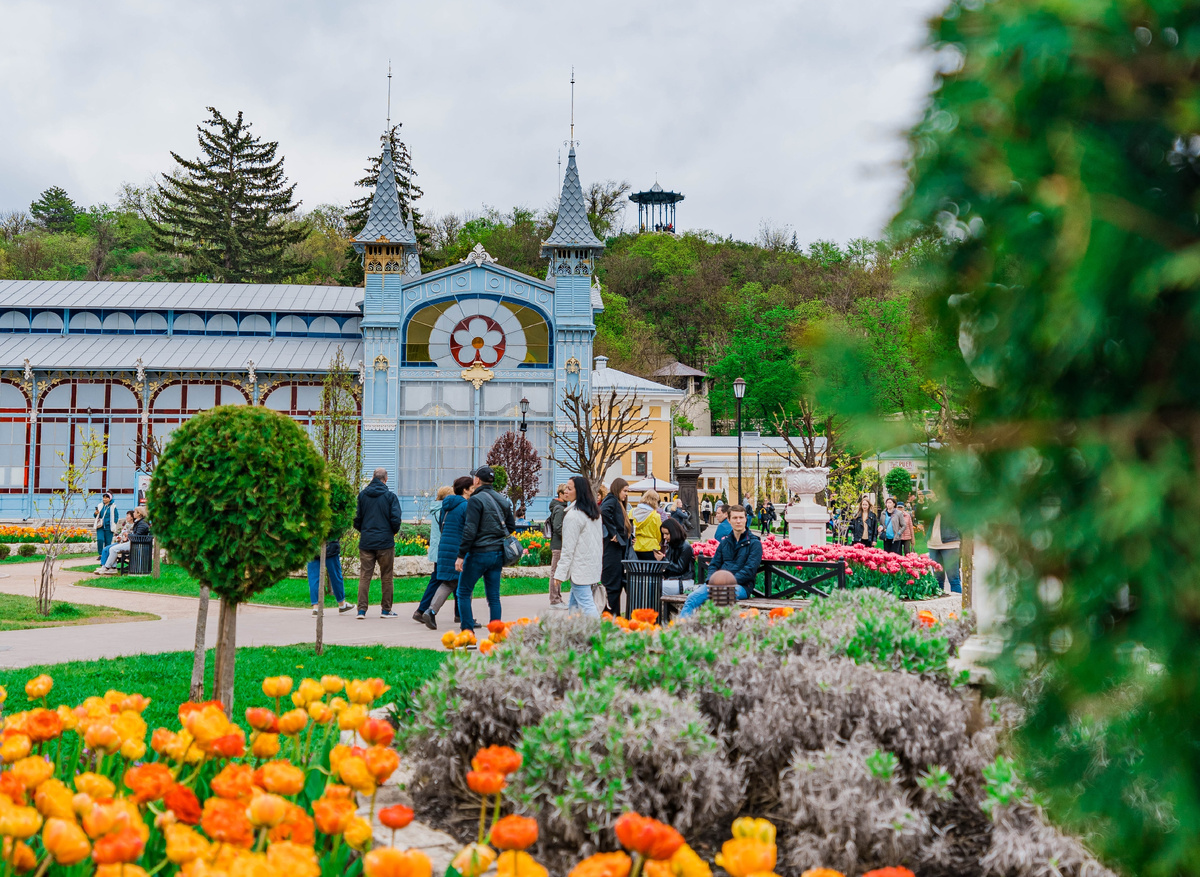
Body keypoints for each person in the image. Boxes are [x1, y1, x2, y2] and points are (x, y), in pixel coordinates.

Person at [455, 466, 516, 632]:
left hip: (478, 553)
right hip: (497, 553)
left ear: (476, 480)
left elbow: (470, 530)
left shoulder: (475, 500)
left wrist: (461, 555)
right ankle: (496, 636)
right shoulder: (503, 500)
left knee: (463, 592)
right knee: (494, 597)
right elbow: (511, 526)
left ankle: (468, 634)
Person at [679, 506, 762, 616]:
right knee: (692, 598)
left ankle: (718, 629)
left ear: (746, 519)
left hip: (741, 586)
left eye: (741, 517)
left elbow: (749, 570)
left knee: (720, 597)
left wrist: (725, 582)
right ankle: (682, 629)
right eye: (735, 518)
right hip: (717, 585)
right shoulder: (725, 542)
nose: (738, 521)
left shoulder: (754, 543)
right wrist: (710, 581)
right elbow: (714, 564)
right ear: (729, 520)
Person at [416, 476, 473, 629]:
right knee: (465, 582)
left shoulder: (446, 507)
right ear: (466, 490)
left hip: (445, 548)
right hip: (458, 549)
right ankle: (460, 617)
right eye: (472, 488)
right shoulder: (466, 506)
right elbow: (469, 529)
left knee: (449, 582)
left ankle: (431, 611)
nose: (474, 490)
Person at [353, 467, 403, 620]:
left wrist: (365, 530)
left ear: (373, 478)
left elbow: (356, 519)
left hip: (367, 541)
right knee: (386, 576)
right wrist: (391, 532)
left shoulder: (362, 496)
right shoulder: (390, 497)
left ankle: (361, 610)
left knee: (364, 576)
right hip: (385, 542)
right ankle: (386, 610)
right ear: (385, 479)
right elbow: (396, 519)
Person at [555, 475, 604, 617]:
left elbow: (567, 549)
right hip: (591, 567)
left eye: (569, 489)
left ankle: (600, 636)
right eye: (565, 488)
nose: (565, 491)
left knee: (587, 606)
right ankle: (574, 636)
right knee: (574, 606)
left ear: (580, 491)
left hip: (580, 569)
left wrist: (559, 574)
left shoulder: (573, 516)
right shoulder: (594, 514)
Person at [414, 486, 454, 625]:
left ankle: (459, 613)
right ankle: (421, 610)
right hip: (443, 550)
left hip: (437, 549)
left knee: (451, 579)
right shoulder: (445, 510)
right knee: (439, 580)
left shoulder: (436, 509)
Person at [600, 477, 632, 615]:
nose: (626, 494)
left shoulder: (616, 501)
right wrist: (613, 532)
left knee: (615, 585)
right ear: (618, 489)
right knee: (612, 585)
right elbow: (604, 511)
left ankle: (613, 615)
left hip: (617, 548)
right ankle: (611, 615)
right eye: (624, 491)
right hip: (613, 550)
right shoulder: (612, 500)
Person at [308, 533, 354, 617]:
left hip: (312, 545)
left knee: (313, 578)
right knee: (335, 576)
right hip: (330, 546)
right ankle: (342, 604)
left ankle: (316, 608)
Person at [925, 492, 961, 593]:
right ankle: (939, 601)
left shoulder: (953, 505)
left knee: (953, 578)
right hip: (933, 544)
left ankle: (959, 605)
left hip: (950, 543)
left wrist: (935, 499)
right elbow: (920, 515)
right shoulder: (934, 505)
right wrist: (920, 501)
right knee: (937, 579)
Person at [94, 507, 148, 575]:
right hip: (134, 543)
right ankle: (109, 567)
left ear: (139, 513)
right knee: (111, 548)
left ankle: (107, 567)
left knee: (113, 549)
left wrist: (128, 535)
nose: (133, 513)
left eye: (134, 512)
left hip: (135, 545)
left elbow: (137, 536)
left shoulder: (142, 524)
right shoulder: (140, 522)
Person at [657, 517, 694, 596]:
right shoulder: (672, 545)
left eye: (667, 534)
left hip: (684, 581)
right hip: (676, 580)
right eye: (663, 534)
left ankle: (654, 608)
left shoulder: (685, 546)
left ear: (674, 532)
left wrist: (663, 560)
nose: (664, 537)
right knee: (650, 583)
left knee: (654, 586)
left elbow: (679, 568)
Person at [547, 483, 569, 609]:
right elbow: (558, 527)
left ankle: (557, 599)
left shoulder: (560, 507)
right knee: (556, 572)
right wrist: (569, 536)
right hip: (558, 544)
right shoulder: (559, 508)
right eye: (566, 492)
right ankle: (555, 600)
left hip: (558, 544)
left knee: (557, 572)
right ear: (560, 493)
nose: (568, 494)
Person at [630, 489, 662, 561]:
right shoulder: (655, 516)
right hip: (651, 547)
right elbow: (659, 534)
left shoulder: (632, 512)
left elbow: (629, 528)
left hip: (635, 546)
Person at [94, 492, 119, 562]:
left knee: (108, 542)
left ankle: (106, 555)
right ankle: (100, 554)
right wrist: (95, 514)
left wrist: (114, 522)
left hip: (109, 526)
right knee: (100, 539)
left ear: (109, 499)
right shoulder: (100, 506)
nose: (104, 499)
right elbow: (96, 516)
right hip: (100, 526)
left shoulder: (113, 507)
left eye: (106, 497)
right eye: (103, 497)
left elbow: (116, 516)